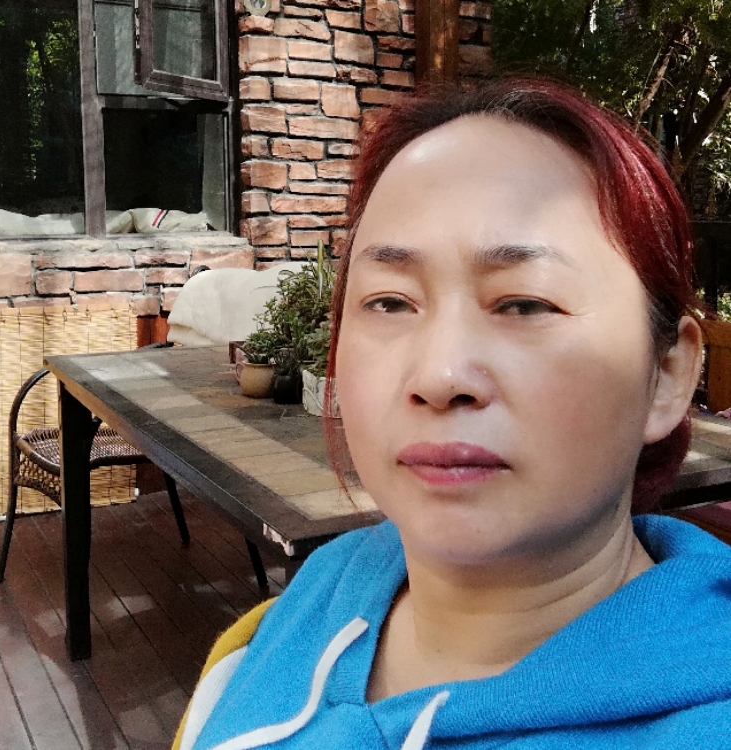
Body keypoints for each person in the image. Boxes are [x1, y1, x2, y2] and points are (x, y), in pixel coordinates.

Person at [173, 77, 731, 750]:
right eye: (389, 301)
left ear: (666, 375)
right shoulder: (287, 623)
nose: (439, 376)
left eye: (524, 303)